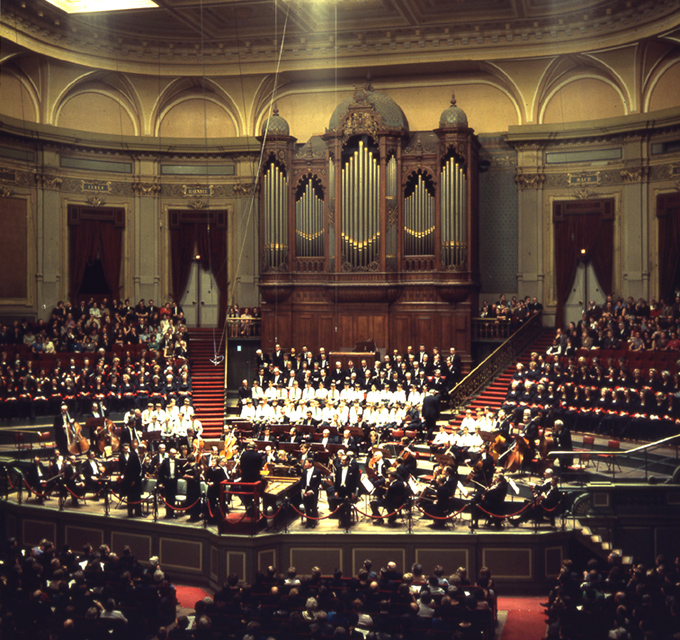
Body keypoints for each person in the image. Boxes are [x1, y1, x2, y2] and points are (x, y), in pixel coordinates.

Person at [299, 458, 322, 528]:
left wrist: (312, 491)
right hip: (306, 489)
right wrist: (303, 489)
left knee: (313, 507)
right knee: (307, 507)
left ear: (311, 464)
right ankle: (308, 522)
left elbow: (318, 483)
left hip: (313, 490)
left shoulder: (317, 471)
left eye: (306, 463)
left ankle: (313, 522)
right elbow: (302, 481)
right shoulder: (305, 471)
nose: (305, 464)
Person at [159, 448, 180, 519]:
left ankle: (172, 513)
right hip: (167, 482)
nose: (174, 455)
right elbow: (161, 473)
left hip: (174, 481)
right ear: (169, 454)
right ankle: (168, 514)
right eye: (173, 453)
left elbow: (181, 470)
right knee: (168, 498)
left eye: (175, 453)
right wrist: (161, 482)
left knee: (173, 498)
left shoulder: (177, 461)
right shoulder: (165, 461)